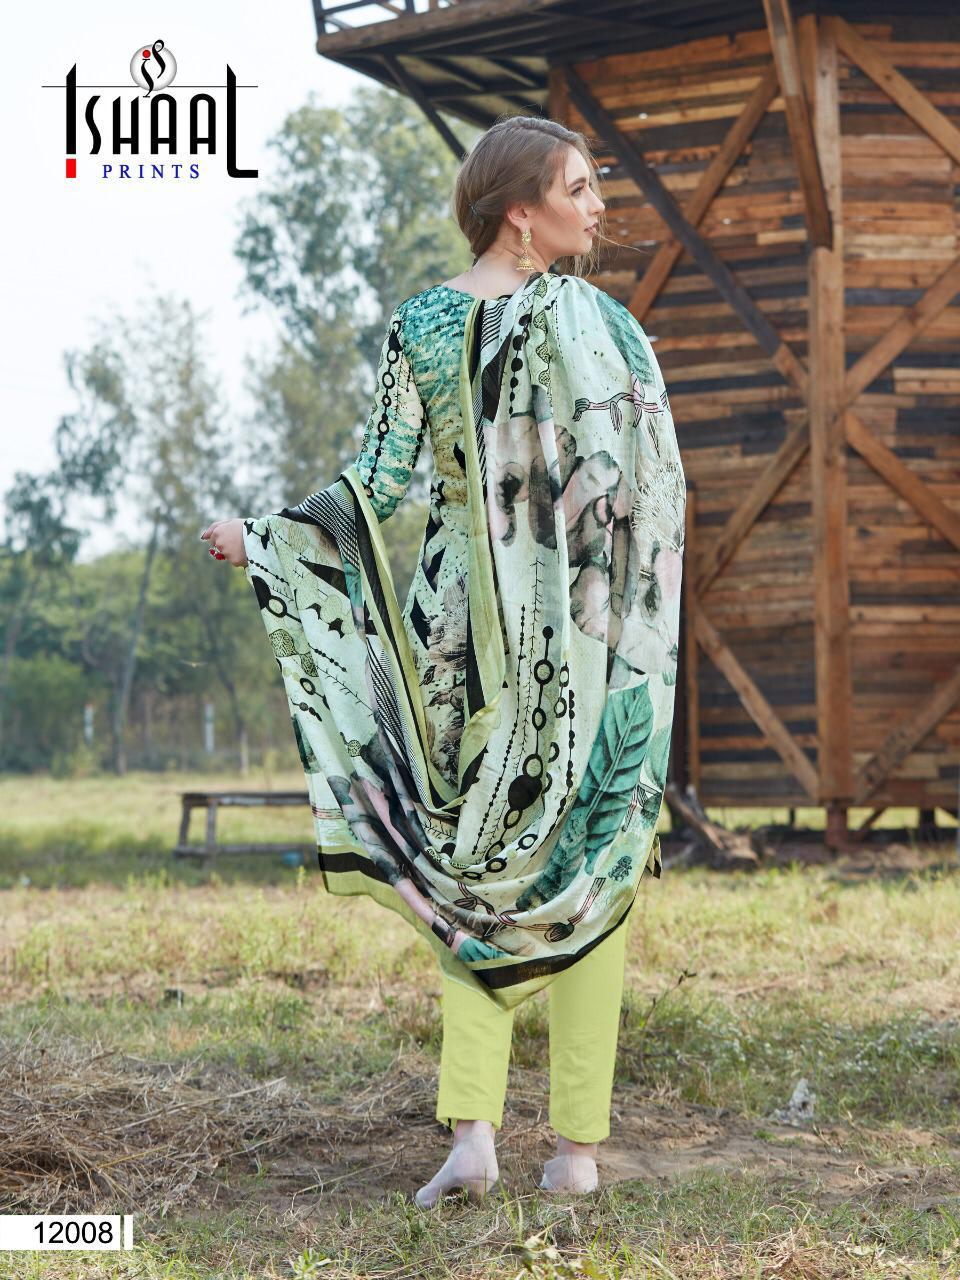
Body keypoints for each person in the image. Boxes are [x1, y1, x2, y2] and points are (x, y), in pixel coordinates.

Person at [200, 115, 686, 1206]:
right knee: (533, 861)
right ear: (522, 211)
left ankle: (525, 1140)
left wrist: (267, 536)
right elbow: (390, 480)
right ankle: (527, 1143)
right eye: (579, 187)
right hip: (522, 645)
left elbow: (636, 484)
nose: (598, 205)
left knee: (536, 863)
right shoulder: (509, 326)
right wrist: (262, 535)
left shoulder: (557, 323)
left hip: (530, 635)